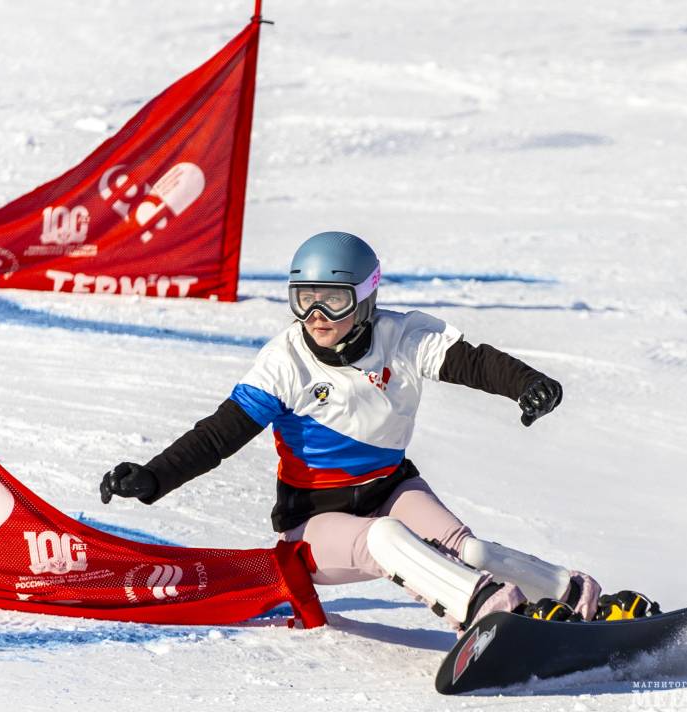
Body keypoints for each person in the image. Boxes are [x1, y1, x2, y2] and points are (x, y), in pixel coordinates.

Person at [99, 232, 642, 631]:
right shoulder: (283, 363)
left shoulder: (402, 337)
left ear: (366, 297)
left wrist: (527, 384)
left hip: (392, 488)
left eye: (333, 300)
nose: (316, 314)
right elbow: (219, 435)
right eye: (303, 298)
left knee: (468, 550)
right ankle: (486, 611)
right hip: (312, 529)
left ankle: (575, 595)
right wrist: (152, 478)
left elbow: (473, 362)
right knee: (385, 540)